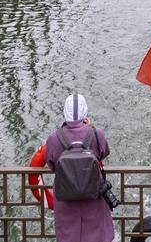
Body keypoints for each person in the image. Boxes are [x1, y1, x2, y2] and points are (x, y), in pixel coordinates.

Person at [43, 93, 113, 242]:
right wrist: (91, 127)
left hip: (66, 201)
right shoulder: (96, 134)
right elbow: (104, 152)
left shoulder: (54, 138)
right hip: (93, 196)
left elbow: (51, 164)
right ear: (85, 112)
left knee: (69, 236)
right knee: (97, 235)